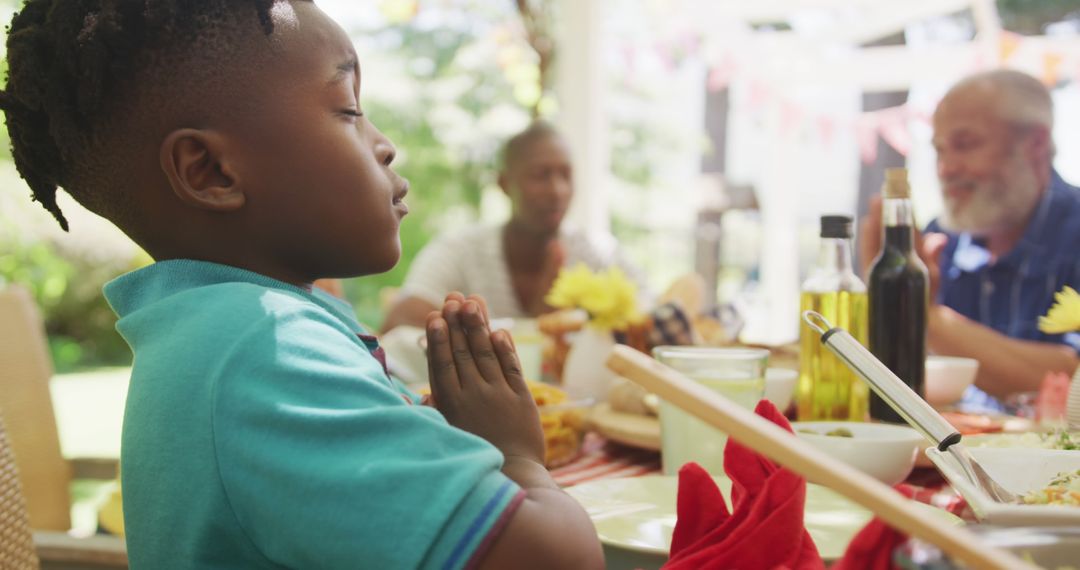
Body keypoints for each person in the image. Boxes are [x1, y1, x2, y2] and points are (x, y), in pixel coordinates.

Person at [0, 2, 603, 569]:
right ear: (210, 172)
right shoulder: (268, 353)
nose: (385, 145)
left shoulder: (218, 333)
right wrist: (518, 459)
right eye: (347, 109)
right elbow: (557, 558)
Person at [860, 69, 1080, 410]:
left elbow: (1072, 380)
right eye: (940, 151)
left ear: (1035, 144)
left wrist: (922, 313)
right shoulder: (940, 239)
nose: (945, 169)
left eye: (965, 145)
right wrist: (885, 300)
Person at [381, 121, 649, 332]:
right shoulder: (461, 250)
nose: (557, 191)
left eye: (566, 175)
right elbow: (401, 321)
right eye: (540, 175)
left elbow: (651, 312)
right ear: (505, 184)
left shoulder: (594, 251)